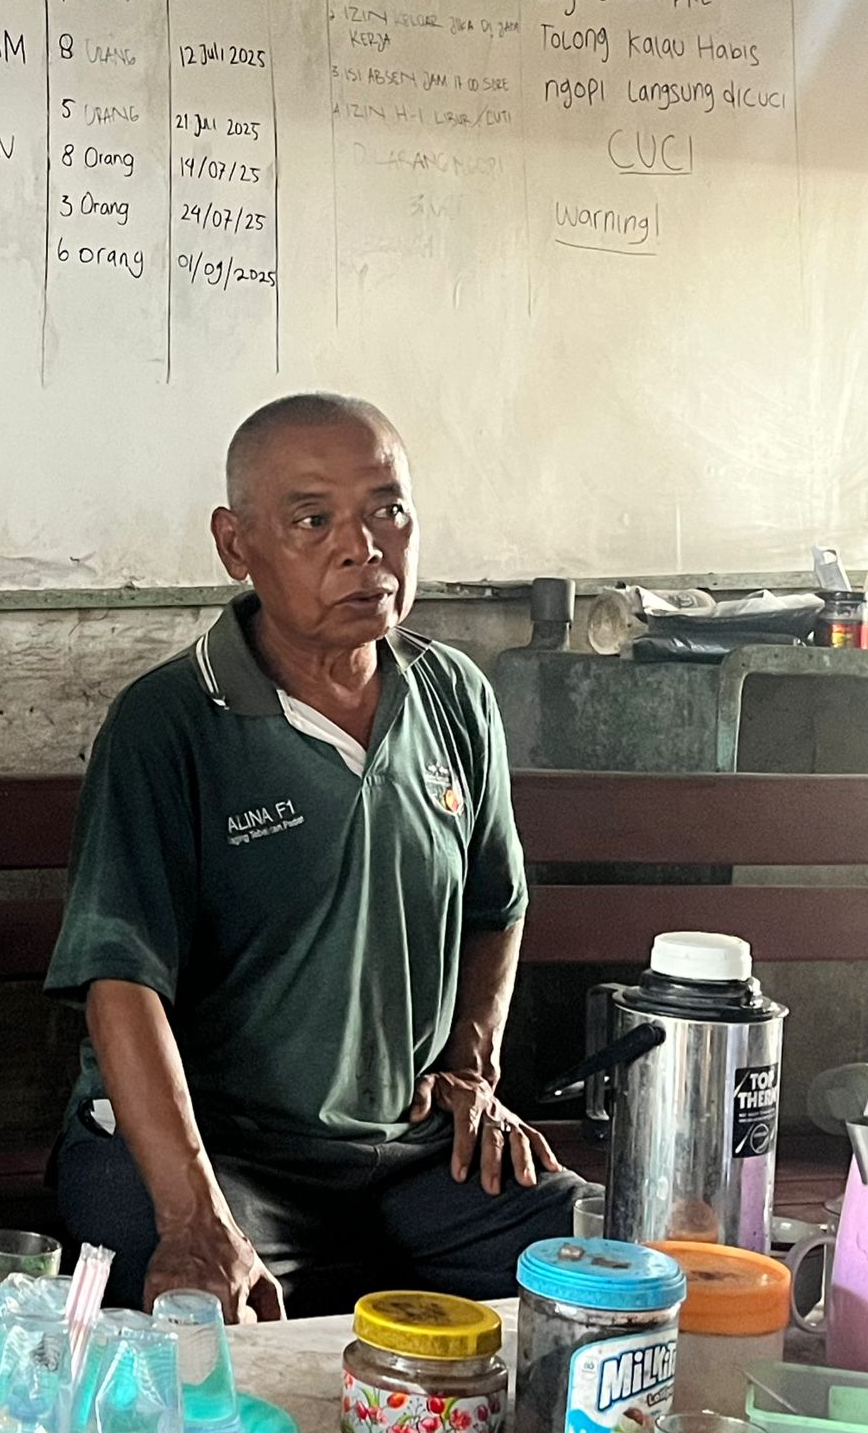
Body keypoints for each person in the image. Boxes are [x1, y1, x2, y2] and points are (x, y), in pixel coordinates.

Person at [45, 393, 586, 1322]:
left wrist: (471, 1068)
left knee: (610, 1273)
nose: (363, 549)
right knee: (203, 1335)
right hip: (217, 1156)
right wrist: (194, 1217)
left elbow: (495, 906)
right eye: (312, 521)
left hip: (408, 1151)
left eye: (388, 510)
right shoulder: (169, 723)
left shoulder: (453, 696)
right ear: (236, 545)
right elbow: (119, 981)